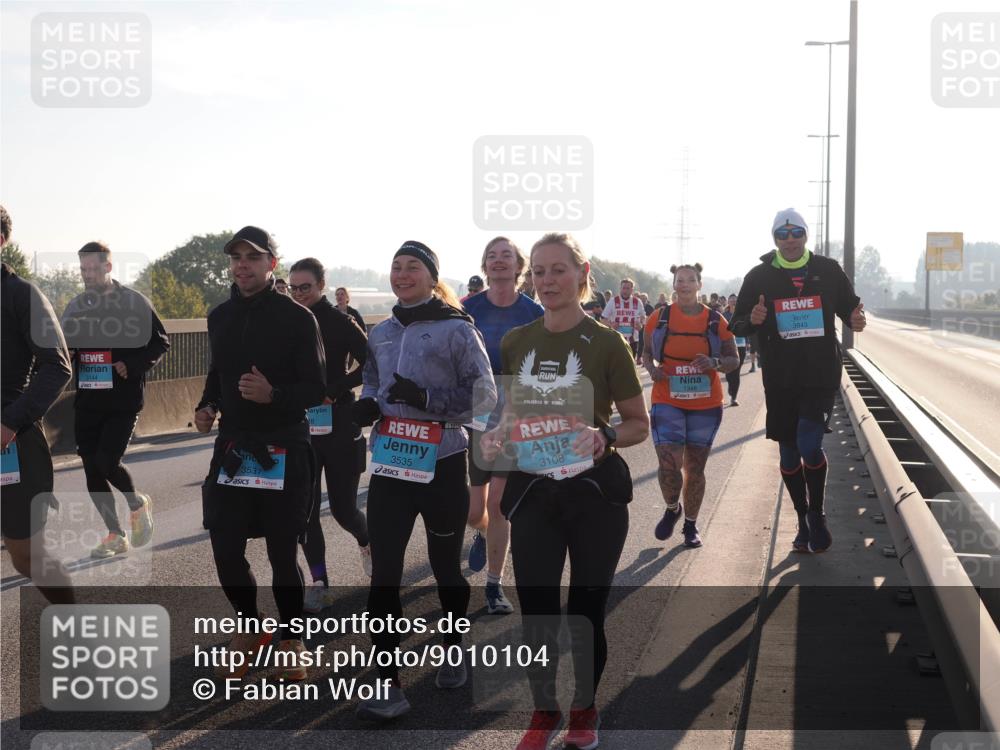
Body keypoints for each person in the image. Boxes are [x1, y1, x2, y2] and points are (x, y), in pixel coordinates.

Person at [482, 232, 649, 750]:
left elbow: (638, 423)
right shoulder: (517, 341)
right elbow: (511, 413)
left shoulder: (606, 342)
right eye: (540, 271)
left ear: (582, 273)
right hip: (535, 494)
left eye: (558, 270)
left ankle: (583, 710)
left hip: (594, 497)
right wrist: (495, 437)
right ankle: (543, 712)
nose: (547, 280)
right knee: (536, 610)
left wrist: (605, 436)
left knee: (585, 612)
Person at [352, 241, 496, 721]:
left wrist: (428, 397)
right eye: (395, 266)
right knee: (385, 572)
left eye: (412, 266)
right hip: (392, 463)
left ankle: (453, 644)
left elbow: (485, 397)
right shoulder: (382, 331)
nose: (402, 273)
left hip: (443, 461)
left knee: (445, 568)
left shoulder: (457, 329)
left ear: (432, 276)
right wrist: (370, 401)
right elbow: (372, 379)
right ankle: (387, 681)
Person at [195, 225, 326, 681]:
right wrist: (208, 404)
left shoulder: (297, 318)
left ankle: (292, 638)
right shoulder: (219, 317)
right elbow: (218, 372)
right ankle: (249, 628)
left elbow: (316, 388)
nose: (242, 265)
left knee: (281, 550)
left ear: (272, 264)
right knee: (224, 546)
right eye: (235, 258)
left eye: (252, 257)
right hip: (234, 445)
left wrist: (274, 394)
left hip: (284, 444)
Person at [730, 209, 866, 553]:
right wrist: (753, 318)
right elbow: (738, 323)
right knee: (789, 456)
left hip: (820, 373)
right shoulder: (759, 276)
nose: (789, 240)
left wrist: (856, 318)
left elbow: (851, 311)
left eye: (796, 234)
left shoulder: (828, 270)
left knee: (809, 444)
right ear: (774, 239)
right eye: (782, 235)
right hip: (780, 377)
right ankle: (802, 517)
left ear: (805, 236)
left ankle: (817, 514)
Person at [62, 242, 168, 559]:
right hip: (89, 398)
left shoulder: (133, 302)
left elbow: (161, 341)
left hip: (123, 398)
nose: (88, 275)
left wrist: (132, 365)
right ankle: (114, 534)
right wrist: (69, 353)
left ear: (108, 268)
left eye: (94, 269)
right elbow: (64, 344)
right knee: (92, 470)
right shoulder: (77, 305)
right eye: (83, 270)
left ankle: (137, 503)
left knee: (107, 462)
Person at [462, 237, 543, 614]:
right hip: (475, 418)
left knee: (499, 504)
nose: (498, 261)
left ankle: (493, 587)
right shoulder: (465, 310)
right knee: (473, 508)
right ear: (484, 265)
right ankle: (480, 533)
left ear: (518, 267)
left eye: (505, 256)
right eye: (491, 256)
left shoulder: (533, 313)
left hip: (515, 417)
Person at [288, 258, 371, 613]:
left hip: (338, 423)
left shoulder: (339, 321)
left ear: (321, 285)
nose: (298, 294)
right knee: (305, 512)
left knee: (343, 509)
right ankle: (319, 581)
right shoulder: (287, 320)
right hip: (301, 426)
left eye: (305, 287)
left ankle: (367, 542)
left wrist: (336, 389)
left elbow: (371, 361)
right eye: (292, 287)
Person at [1, 205, 75, 603]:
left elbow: (57, 366)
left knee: (26, 557)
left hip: (9, 440)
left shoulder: (20, 295)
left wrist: (10, 421)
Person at [642, 264, 739, 548]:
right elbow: (646, 353)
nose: (683, 285)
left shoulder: (716, 320)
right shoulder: (659, 318)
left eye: (690, 280)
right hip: (667, 397)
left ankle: (691, 525)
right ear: (673, 284)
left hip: (705, 402)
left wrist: (715, 363)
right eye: (679, 280)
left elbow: (733, 358)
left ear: (699, 284)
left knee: (694, 468)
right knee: (669, 463)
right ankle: (673, 508)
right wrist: (652, 369)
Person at [601, 278, 646, 362]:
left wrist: (641, 324)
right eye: (623, 288)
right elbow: (602, 319)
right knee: (617, 365)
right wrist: (610, 325)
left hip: (632, 341)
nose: (625, 291)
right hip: (616, 340)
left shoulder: (637, 302)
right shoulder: (613, 301)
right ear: (620, 288)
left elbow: (643, 317)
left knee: (630, 366)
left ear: (632, 290)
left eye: (627, 288)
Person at [722, 293, 747, 406]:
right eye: (731, 299)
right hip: (727, 347)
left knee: (736, 371)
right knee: (729, 372)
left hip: (741, 345)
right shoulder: (724, 315)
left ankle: (734, 397)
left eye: (735, 300)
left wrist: (750, 343)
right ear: (728, 302)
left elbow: (748, 328)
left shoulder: (742, 314)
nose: (733, 301)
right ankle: (731, 388)